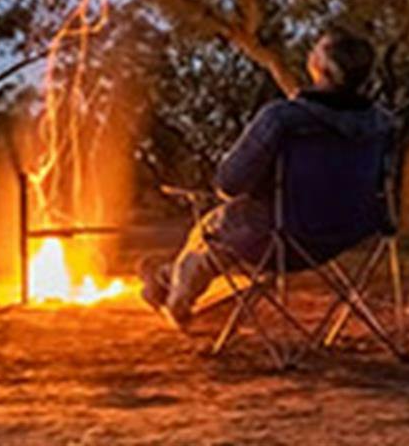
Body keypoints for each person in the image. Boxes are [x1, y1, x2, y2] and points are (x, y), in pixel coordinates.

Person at [142, 24, 393, 327]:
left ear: (323, 67)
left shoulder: (283, 117)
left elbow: (228, 184)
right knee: (233, 228)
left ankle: (176, 299)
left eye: (316, 48)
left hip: (282, 233)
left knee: (212, 229)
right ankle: (167, 276)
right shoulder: (382, 124)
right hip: (346, 235)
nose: (310, 52)